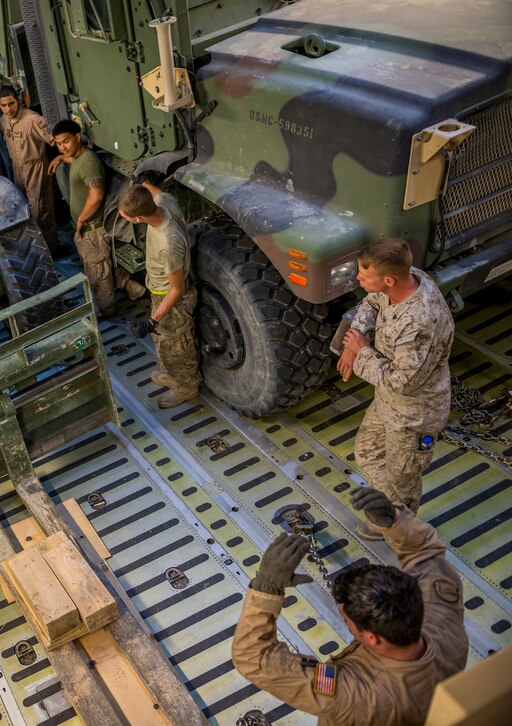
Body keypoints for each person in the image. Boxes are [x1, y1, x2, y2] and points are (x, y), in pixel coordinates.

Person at [232, 487, 468, 725]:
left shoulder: (350, 693)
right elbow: (426, 553)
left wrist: (266, 588)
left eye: (347, 620)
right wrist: (395, 521)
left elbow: (252, 658)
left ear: (373, 637)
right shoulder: (444, 622)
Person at [337, 238, 454, 538]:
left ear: (388, 279)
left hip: (415, 413)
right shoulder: (406, 277)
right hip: (389, 402)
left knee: (403, 478)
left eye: (364, 275)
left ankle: (402, 526)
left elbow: (402, 381)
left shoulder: (418, 324)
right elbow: (371, 302)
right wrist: (355, 340)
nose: (358, 278)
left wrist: (361, 351)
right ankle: (393, 511)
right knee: (367, 451)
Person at [116, 181, 201, 408]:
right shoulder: (165, 202)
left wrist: (152, 321)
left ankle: (186, 387)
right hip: (159, 291)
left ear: (137, 219)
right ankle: (171, 376)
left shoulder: (169, 243)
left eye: (125, 216)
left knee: (176, 346)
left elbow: (177, 289)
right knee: (163, 341)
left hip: (172, 299)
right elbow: (159, 191)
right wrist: (141, 182)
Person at [48, 119, 114, 317]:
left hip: (92, 229)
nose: (62, 147)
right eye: (59, 144)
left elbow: (97, 195)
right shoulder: (77, 157)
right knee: (94, 271)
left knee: (99, 274)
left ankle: (107, 311)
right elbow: (73, 161)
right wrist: (60, 158)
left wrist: (81, 219)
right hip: (86, 229)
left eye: (66, 142)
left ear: (77, 138)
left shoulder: (89, 162)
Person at [0, 86, 58, 250]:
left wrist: (60, 157)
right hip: (18, 169)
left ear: (18, 101)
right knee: (22, 209)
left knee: (40, 211)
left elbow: (56, 139)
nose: (8, 109)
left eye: (11, 104)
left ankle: (50, 249)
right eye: (4, 105)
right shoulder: (4, 120)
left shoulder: (32, 120)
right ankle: (33, 246)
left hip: (35, 167)